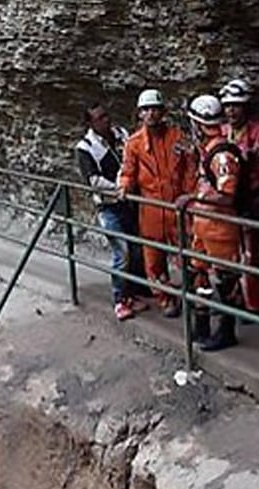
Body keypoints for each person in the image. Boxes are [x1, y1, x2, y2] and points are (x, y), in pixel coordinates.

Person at [118, 89, 196, 318]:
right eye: (146, 109)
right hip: (151, 208)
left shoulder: (177, 137)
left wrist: (189, 194)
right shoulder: (134, 143)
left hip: (177, 206)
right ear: (140, 113)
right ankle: (165, 298)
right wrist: (124, 186)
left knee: (189, 256)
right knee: (153, 259)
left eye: (154, 109)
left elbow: (190, 167)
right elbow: (129, 171)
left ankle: (194, 296)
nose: (150, 114)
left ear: (162, 112)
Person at [178, 94, 245, 352]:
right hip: (204, 225)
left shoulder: (222, 155)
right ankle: (202, 324)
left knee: (225, 280)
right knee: (199, 274)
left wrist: (194, 198)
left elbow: (228, 195)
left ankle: (226, 331)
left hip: (220, 229)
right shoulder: (208, 150)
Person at [75, 103, 146, 320]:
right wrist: (120, 188)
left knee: (136, 249)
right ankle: (119, 300)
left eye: (106, 115)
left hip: (128, 203)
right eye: (100, 118)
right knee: (121, 252)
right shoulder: (86, 147)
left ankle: (132, 293)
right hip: (108, 206)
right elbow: (93, 180)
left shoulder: (121, 134)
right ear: (90, 123)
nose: (106, 120)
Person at [219, 78, 259, 318]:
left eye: (236, 105)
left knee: (254, 255)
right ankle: (234, 296)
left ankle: (255, 304)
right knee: (227, 251)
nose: (231, 111)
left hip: (254, 199)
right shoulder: (222, 132)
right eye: (228, 106)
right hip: (228, 200)